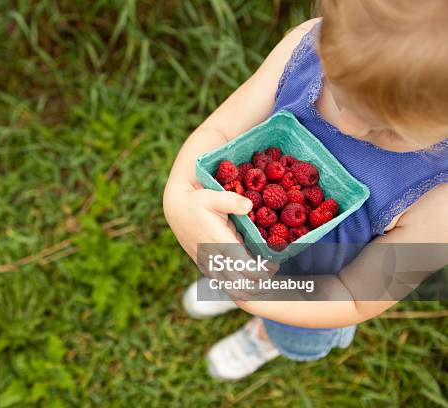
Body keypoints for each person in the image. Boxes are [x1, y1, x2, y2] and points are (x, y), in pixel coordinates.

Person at [163, 0, 448, 380]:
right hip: (240, 235)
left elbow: (353, 297)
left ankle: (263, 336)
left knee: (283, 326)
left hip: (314, 294)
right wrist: (179, 198)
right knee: (231, 268)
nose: (347, 124)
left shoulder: (439, 200)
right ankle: (233, 275)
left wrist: (262, 299)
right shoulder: (305, 48)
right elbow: (219, 134)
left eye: (388, 129)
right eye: (339, 89)